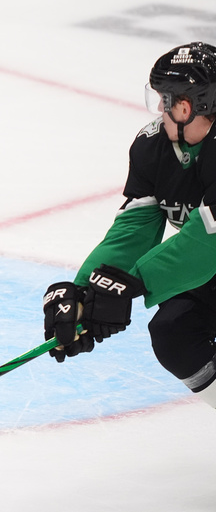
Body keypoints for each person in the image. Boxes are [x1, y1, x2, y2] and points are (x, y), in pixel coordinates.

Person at [43, 41, 216, 407]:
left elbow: (206, 245)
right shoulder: (154, 148)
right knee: (175, 332)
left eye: (164, 99)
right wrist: (84, 292)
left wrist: (130, 285)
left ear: (186, 106)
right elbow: (134, 228)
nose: (158, 108)